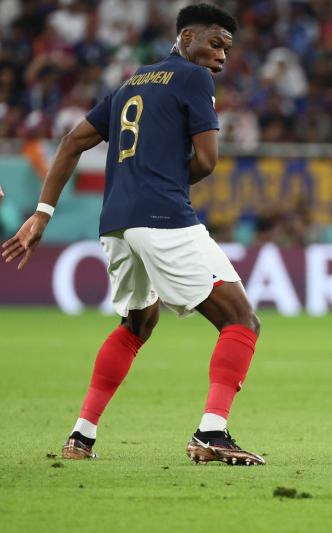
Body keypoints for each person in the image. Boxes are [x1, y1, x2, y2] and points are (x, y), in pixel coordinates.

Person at [1, 4, 264, 466]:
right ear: (186, 38)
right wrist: (165, 180)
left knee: (137, 324)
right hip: (163, 216)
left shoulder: (133, 82)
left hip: (116, 223)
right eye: (215, 43)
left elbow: (72, 141)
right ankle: (212, 432)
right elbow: (207, 161)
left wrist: (42, 213)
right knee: (241, 319)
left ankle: (81, 437)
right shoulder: (194, 78)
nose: (221, 56)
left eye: (227, 48)